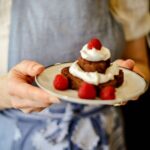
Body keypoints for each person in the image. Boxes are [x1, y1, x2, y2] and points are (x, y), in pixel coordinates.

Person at [0, 0, 149, 150]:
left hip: (103, 133)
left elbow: (139, 60)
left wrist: (131, 80)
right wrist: (6, 93)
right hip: (21, 136)